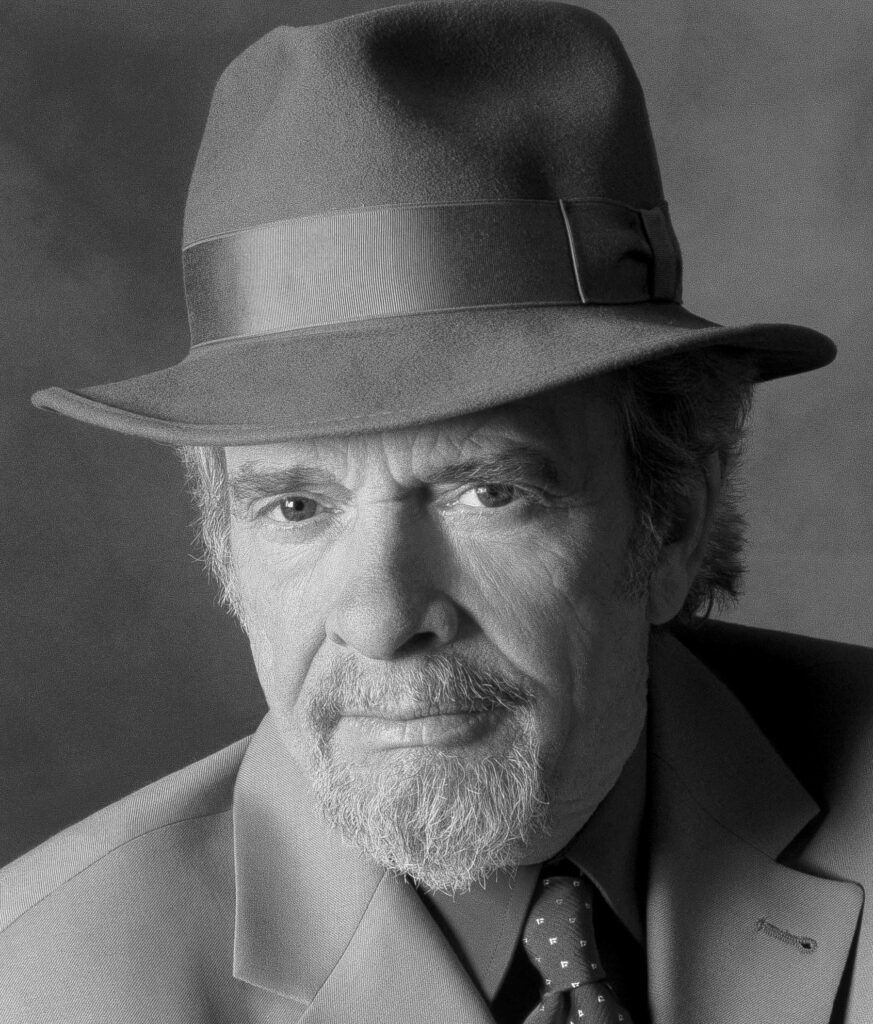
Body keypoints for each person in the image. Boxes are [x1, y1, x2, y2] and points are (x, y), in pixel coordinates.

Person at [3, 2, 871, 1021]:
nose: (381, 616)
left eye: (487, 492)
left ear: (672, 512)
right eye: (294, 505)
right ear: (223, 551)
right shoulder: (43, 981)